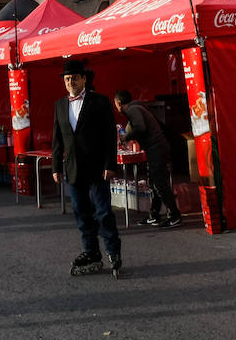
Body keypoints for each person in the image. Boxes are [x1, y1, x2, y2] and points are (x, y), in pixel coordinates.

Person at [51, 59, 122, 275]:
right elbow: (57, 139)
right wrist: (56, 167)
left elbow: (110, 136)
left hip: (97, 168)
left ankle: (113, 252)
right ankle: (91, 252)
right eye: (67, 79)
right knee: (82, 215)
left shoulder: (100, 101)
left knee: (103, 213)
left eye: (74, 78)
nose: (70, 81)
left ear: (84, 79)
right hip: (73, 170)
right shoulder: (60, 105)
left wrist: (111, 164)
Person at [113, 90, 182, 228]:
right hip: (156, 148)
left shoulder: (133, 109)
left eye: (115, 104)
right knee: (154, 182)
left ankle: (174, 216)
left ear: (119, 103)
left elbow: (140, 127)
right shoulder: (136, 108)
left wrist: (125, 137)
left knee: (159, 183)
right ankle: (154, 215)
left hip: (157, 148)